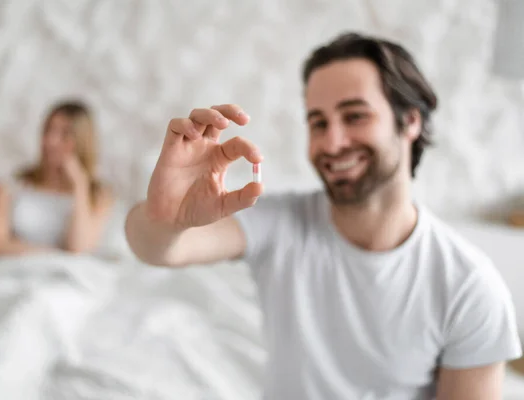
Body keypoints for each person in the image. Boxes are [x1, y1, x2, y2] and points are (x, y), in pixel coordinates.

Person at [125, 32, 522, 399]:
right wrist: (167, 217)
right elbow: (156, 250)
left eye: (355, 116)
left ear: (410, 121)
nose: (332, 142)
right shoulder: (281, 225)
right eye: (318, 122)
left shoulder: (469, 289)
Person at [0, 100, 114, 255]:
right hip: (16, 270)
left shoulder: (98, 194)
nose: (50, 141)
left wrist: (80, 185)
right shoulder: (13, 185)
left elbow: (79, 248)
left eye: (64, 134)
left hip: (65, 276)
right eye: (48, 130)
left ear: (82, 141)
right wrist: (55, 254)